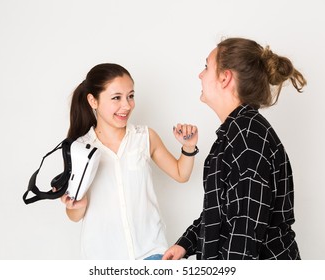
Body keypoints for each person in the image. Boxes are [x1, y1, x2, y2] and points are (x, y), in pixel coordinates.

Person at [162, 37, 307, 260]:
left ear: (225, 78)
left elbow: (245, 233)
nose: (200, 75)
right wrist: (185, 244)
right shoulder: (237, 132)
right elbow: (222, 212)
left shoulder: (247, 137)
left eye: (206, 67)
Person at [58, 63, 198, 260]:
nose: (127, 105)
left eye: (130, 96)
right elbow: (74, 216)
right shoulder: (80, 149)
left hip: (151, 253)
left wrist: (188, 147)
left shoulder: (145, 137)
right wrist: (77, 205)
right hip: (104, 260)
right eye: (116, 98)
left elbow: (181, 174)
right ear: (93, 100)